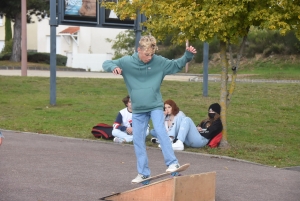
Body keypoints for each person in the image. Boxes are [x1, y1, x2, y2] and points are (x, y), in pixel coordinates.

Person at [102, 35, 197, 183]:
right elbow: (106, 63)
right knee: (138, 139)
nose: (149, 58)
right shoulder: (127, 62)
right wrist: (113, 67)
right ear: (138, 50)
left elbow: (176, 65)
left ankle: (172, 163)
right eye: (146, 55)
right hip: (138, 109)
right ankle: (143, 173)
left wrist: (187, 56)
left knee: (160, 130)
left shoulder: (158, 62)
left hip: (154, 105)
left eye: (151, 54)